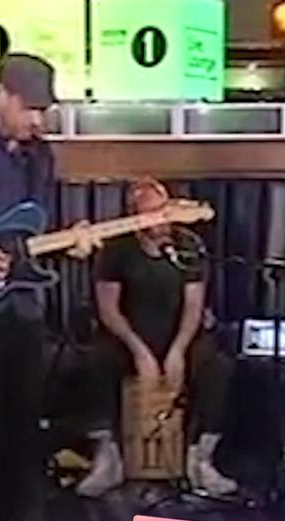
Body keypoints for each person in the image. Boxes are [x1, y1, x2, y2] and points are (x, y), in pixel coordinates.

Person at [0, 53, 97, 521]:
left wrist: (70, 241)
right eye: (29, 109)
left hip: (23, 309)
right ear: (1, 94)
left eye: (43, 111)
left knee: (22, 423)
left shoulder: (41, 157)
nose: (37, 120)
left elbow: (31, 232)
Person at [76, 176, 238, 499]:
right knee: (96, 361)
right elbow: (108, 309)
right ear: (134, 216)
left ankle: (199, 458)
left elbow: (194, 306)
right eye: (149, 212)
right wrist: (140, 352)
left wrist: (177, 351)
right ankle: (109, 458)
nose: (160, 220)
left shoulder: (188, 245)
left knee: (217, 367)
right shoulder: (117, 249)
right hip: (129, 333)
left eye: (163, 210)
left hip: (178, 333)